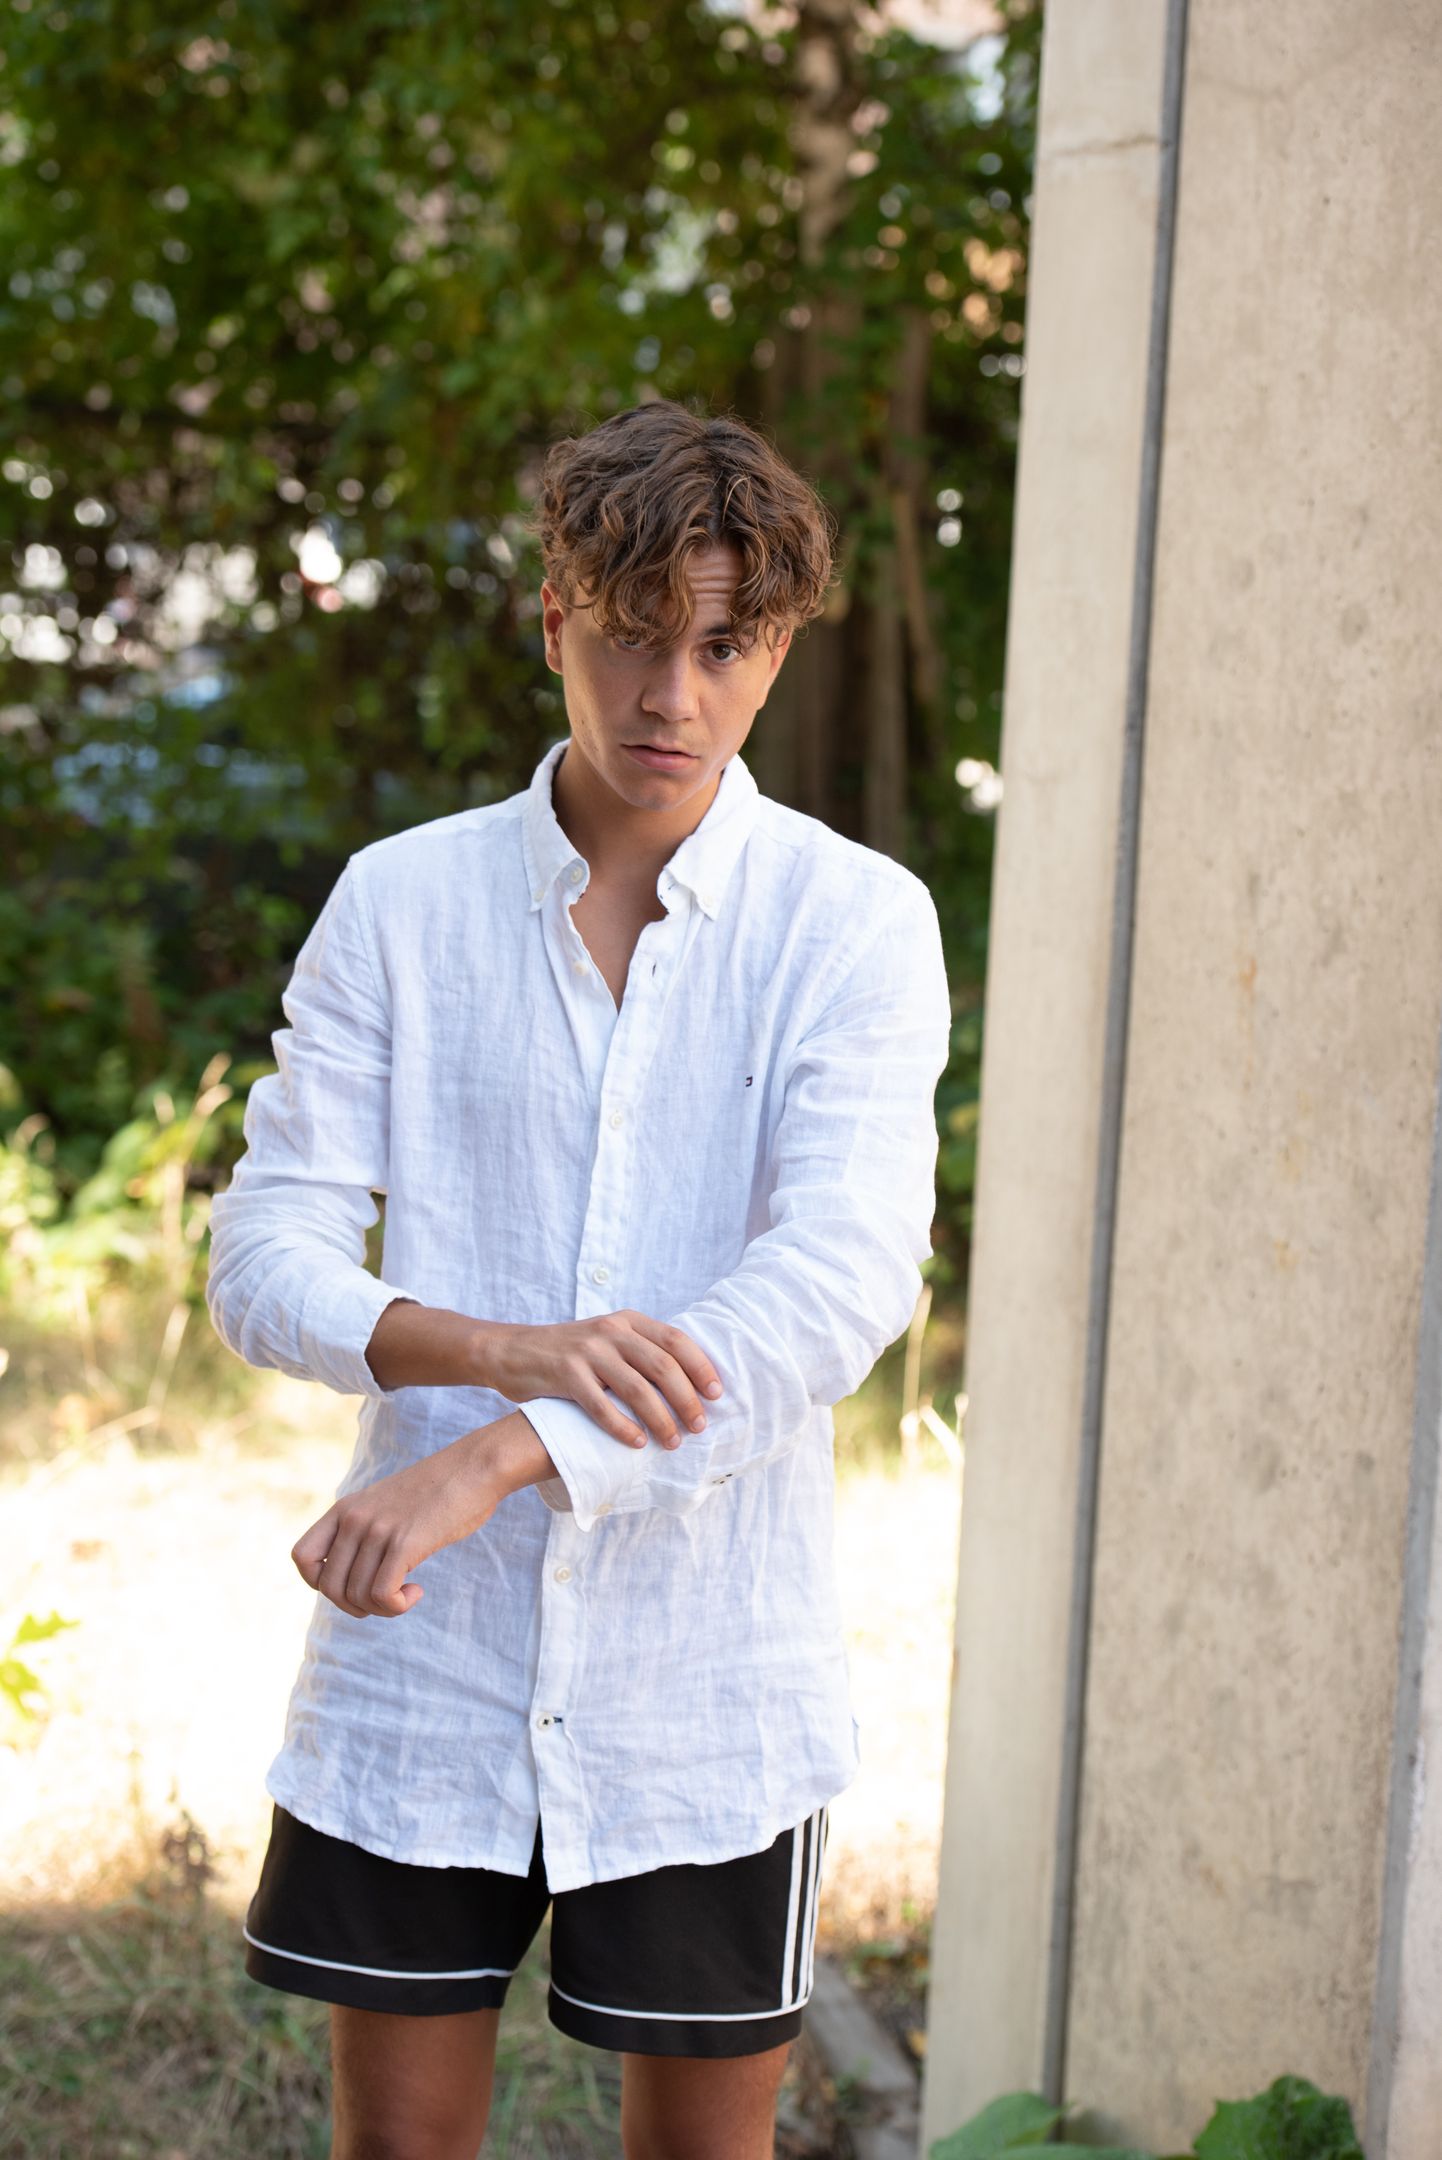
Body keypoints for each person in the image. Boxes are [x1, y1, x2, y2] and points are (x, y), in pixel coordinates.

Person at [205, 398, 952, 2160]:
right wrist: (501, 1351)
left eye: (721, 646)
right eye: (628, 635)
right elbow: (263, 1256)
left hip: (709, 1686)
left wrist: (502, 1449)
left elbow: (835, 1283)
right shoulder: (402, 903)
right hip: (423, 1666)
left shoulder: (853, 922)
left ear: (775, 650)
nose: (668, 696)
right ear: (555, 622)